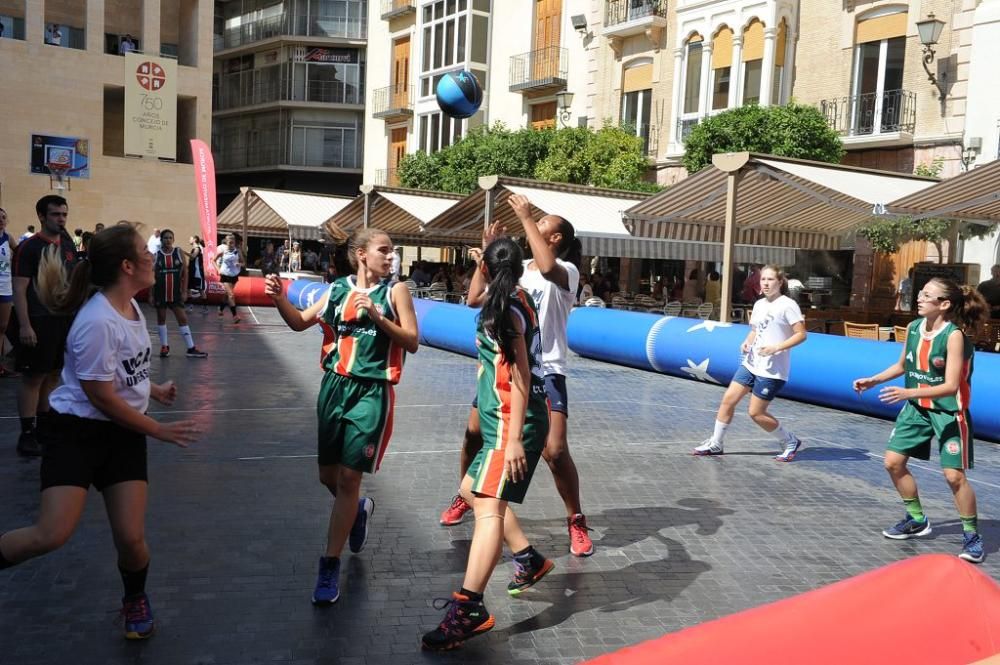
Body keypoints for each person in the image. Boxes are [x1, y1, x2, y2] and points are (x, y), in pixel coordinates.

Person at [0, 224, 200, 640]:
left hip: (121, 437)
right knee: (51, 534)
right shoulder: (96, 321)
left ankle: (134, 600)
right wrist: (158, 431)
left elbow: (124, 374)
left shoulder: (130, 308)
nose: (153, 257)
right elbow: (101, 397)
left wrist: (154, 390)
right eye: (145, 251)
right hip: (76, 434)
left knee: (131, 539)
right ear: (128, 265)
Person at [264, 228, 418, 606]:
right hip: (334, 387)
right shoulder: (334, 291)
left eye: (393, 250)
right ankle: (358, 511)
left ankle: (329, 564)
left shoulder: (395, 292)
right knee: (328, 477)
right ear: (362, 254)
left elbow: (411, 341)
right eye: (385, 250)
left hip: (371, 391)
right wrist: (279, 298)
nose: (391, 256)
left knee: (350, 477)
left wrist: (379, 318)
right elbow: (300, 322)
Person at [440, 194, 594, 557]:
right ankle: (468, 494)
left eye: (543, 224)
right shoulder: (517, 267)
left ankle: (576, 519)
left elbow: (545, 262)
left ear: (556, 238)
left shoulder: (565, 271)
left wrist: (525, 216)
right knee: (473, 435)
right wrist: (486, 255)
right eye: (535, 220)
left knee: (554, 451)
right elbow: (474, 300)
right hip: (500, 369)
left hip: (547, 368)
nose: (535, 225)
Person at [422, 237, 553, 651]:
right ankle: (528, 559)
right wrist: (485, 258)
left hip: (515, 421)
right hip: (502, 419)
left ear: (493, 270)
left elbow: (521, 378)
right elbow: (472, 297)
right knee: (470, 491)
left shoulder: (507, 312)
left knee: (488, 510)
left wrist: (513, 441)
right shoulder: (515, 295)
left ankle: (469, 607)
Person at [853, 278, 989, 564]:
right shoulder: (914, 328)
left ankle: (971, 536)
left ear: (944, 304)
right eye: (921, 293)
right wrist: (873, 380)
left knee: (954, 476)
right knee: (892, 462)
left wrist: (906, 391)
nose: (919, 298)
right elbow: (904, 365)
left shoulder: (954, 337)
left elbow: (951, 386)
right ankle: (916, 519)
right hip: (917, 408)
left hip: (949, 412)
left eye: (927, 295)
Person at [694, 265, 808, 461]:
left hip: (772, 370)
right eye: (763, 279)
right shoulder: (759, 305)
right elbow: (755, 330)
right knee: (728, 399)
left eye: (770, 279)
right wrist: (747, 341)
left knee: (756, 413)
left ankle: (789, 440)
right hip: (751, 363)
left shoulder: (787, 305)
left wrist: (776, 347)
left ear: (780, 282)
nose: (765, 283)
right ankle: (716, 443)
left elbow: (801, 334)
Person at [12, 195, 78, 456]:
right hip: (38, 321)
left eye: (64, 214)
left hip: (64, 320)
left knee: (53, 374)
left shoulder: (69, 244)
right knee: (33, 377)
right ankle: (26, 434)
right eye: (55, 214)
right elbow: (19, 289)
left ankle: (43, 427)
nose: (61, 219)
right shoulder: (28, 248)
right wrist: (25, 325)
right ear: (41, 216)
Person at [150, 230, 207, 359]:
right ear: (161, 240)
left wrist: (185, 291)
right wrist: (151, 295)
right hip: (160, 291)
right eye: (165, 238)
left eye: (170, 238)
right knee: (161, 319)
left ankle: (191, 348)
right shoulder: (156, 255)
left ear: (173, 240)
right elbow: (151, 276)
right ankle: (164, 346)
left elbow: (185, 273)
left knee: (183, 319)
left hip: (175, 292)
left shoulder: (178, 252)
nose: (168, 240)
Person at [0, 208, 18, 378]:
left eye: (4, 217)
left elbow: (20, 253)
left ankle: (0, 365)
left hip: (5, 286)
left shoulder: (8, 237)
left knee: (3, 327)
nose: (1, 220)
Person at [215, 233, 242, 323]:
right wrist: (218, 269)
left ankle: (220, 309)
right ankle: (235, 316)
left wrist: (239, 264)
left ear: (235, 243)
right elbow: (213, 260)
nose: (231, 244)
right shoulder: (223, 252)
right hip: (225, 275)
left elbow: (243, 263)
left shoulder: (238, 251)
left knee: (227, 295)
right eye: (229, 242)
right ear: (226, 243)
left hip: (234, 275)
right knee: (231, 295)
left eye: (232, 242)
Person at [187, 236, 205, 306]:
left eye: (190, 238)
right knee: (188, 288)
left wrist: (183, 252)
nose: (189, 240)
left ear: (194, 240)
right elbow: (192, 260)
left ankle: (205, 307)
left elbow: (193, 256)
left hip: (197, 273)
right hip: (191, 272)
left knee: (200, 290)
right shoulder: (193, 249)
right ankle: (190, 306)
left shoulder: (197, 248)